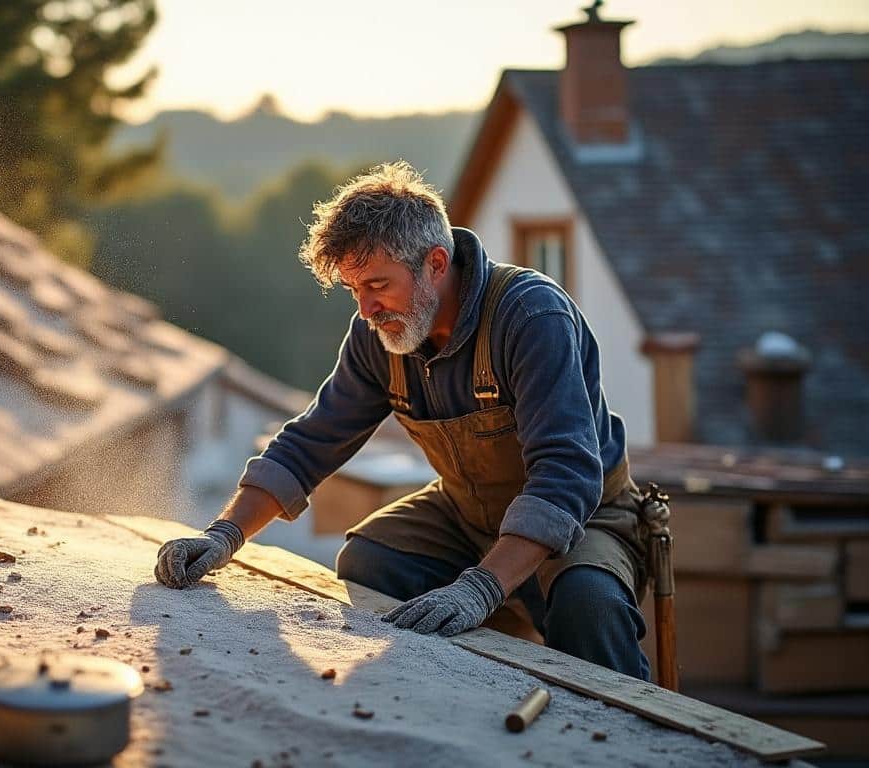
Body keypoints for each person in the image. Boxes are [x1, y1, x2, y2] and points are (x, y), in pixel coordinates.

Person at [152, 161, 651, 680]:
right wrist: (224, 534)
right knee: (371, 562)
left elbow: (566, 476)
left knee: (589, 604)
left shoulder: (531, 318)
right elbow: (311, 442)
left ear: (436, 263)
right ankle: (471, 684)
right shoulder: (382, 334)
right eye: (354, 290)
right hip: (465, 514)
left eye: (378, 285)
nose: (366, 309)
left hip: (585, 515)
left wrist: (480, 587)